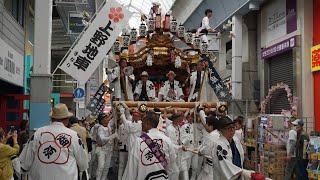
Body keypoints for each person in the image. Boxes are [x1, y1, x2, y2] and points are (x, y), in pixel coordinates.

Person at [19, 103, 88, 180]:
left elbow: (24, 163)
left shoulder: (38, 133)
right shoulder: (74, 136)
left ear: (51, 118)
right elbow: (83, 164)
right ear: (67, 119)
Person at [123, 110, 179, 180]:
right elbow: (172, 164)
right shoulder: (166, 140)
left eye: (142, 122)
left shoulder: (139, 141)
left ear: (147, 123)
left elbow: (131, 168)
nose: (141, 124)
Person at [118, 109, 141, 180]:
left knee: (134, 165)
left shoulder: (139, 124)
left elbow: (128, 126)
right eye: (133, 115)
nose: (134, 117)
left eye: (136, 116)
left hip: (136, 147)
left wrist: (122, 113)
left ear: (139, 117)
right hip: (128, 147)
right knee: (127, 164)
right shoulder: (130, 124)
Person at [194, 116, 220, 180]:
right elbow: (204, 144)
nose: (205, 126)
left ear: (211, 126)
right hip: (211, 164)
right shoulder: (215, 133)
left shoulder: (213, 135)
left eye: (206, 124)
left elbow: (206, 150)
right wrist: (198, 149)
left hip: (212, 165)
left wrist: (200, 152)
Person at [95, 111, 118, 180]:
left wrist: (116, 109)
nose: (107, 119)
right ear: (102, 120)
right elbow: (102, 139)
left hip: (109, 149)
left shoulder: (108, 125)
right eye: (106, 118)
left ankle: (103, 178)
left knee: (107, 166)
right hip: (101, 150)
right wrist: (112, 136)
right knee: (101, 166)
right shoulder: (100, 128)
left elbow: (114, 118)